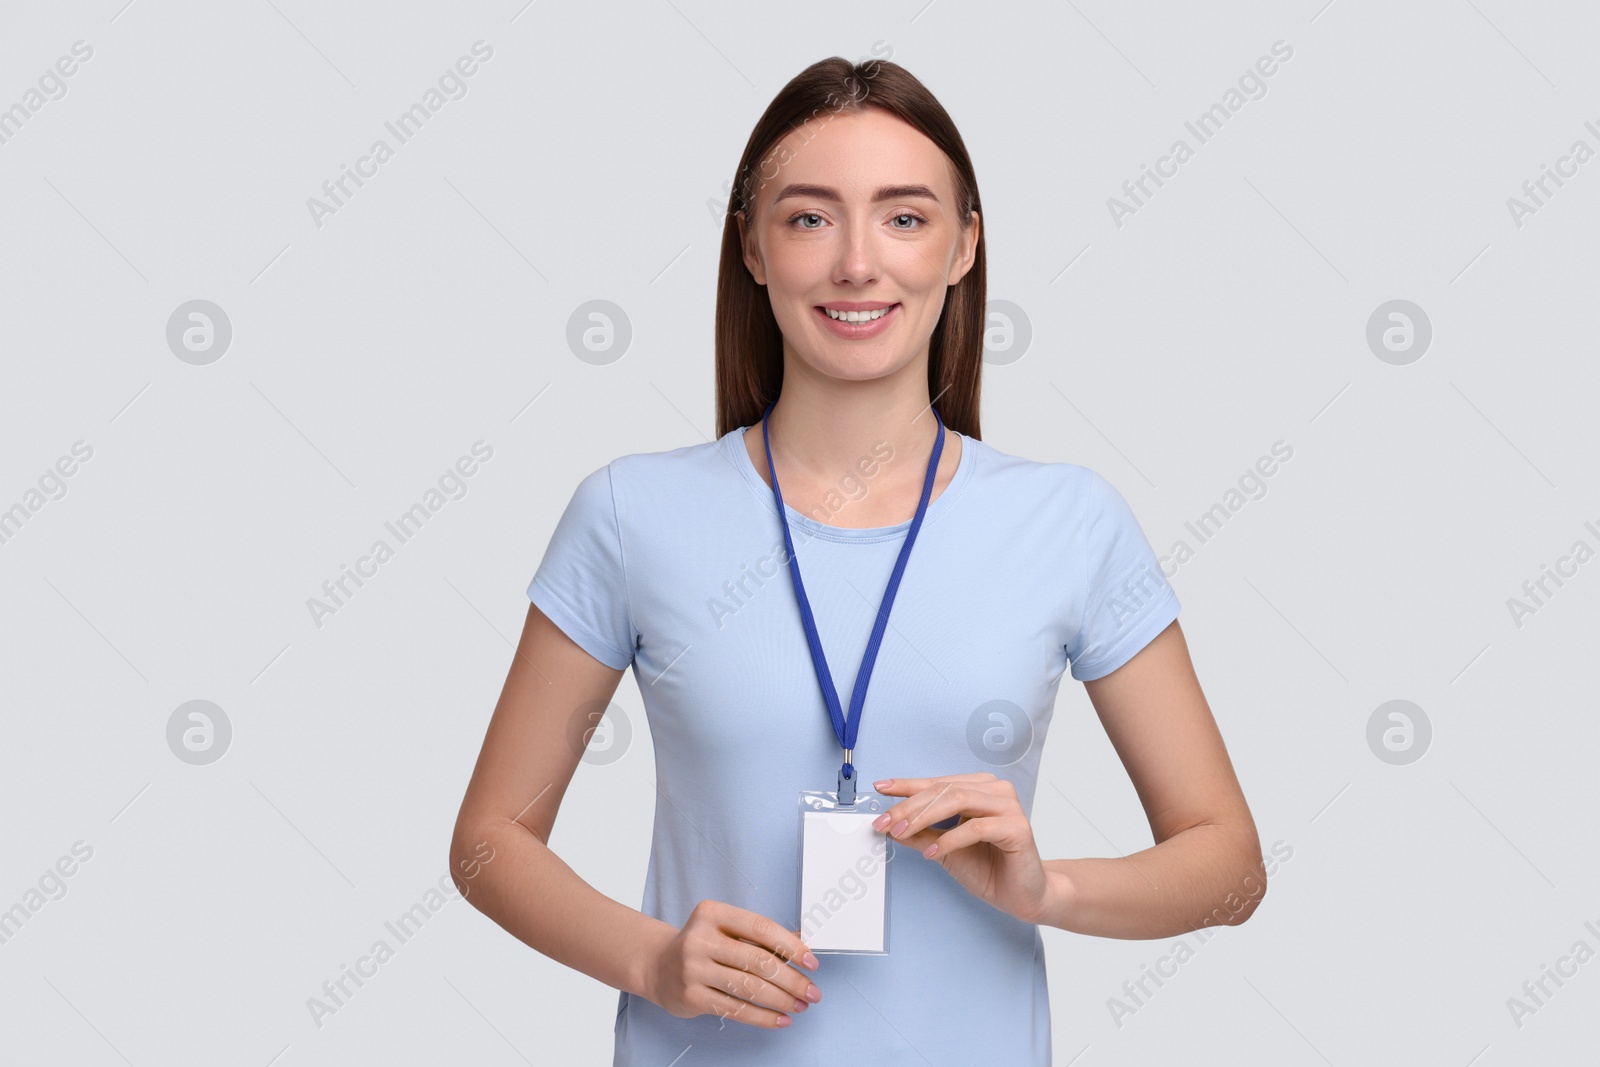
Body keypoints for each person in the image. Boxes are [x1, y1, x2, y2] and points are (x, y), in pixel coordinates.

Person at [449, 55, 1263, 1066]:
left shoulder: (1071, 521)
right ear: (751, 245)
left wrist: (1046, 888)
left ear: (964, 246)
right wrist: (652, 959)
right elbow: (488, 841)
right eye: (808, 217)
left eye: (905, 217)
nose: (856, 263)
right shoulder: (630, 514)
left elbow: (1229, 865)